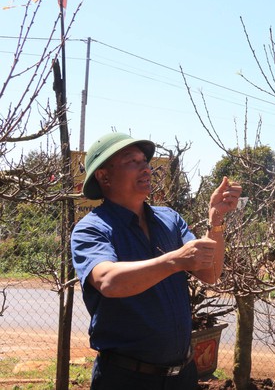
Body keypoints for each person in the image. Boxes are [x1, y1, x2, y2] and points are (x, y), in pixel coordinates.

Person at [71, 132, 242, 390]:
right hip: (125, 379)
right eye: (133, 162)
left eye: (145, 161)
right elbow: (109, 281)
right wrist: (174, 261)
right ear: (104, 176)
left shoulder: (169, 219)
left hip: (183, 375)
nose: (146, 169)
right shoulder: (92, 229)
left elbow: (210, 273)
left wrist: (215, 220)